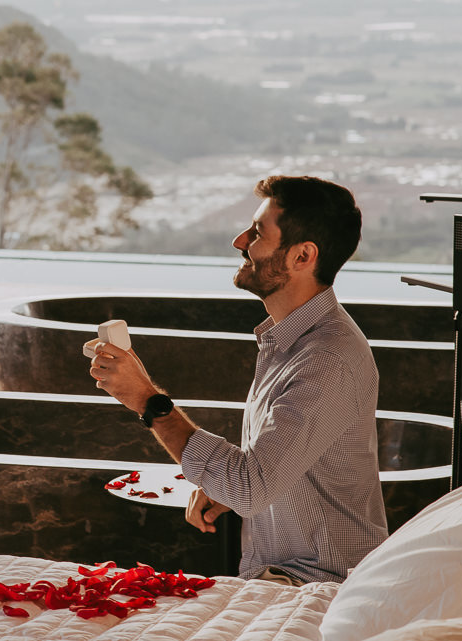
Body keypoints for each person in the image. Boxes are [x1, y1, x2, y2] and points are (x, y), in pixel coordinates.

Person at [89, 175, 388, 584]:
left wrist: (148, 400)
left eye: (258, 233)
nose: (240, 240)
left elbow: (250, 486)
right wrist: (228, 491)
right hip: (291, 576)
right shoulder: (288, 340)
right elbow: (273, 472)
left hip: (319, 587)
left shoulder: (326, 359)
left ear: (303, 256)